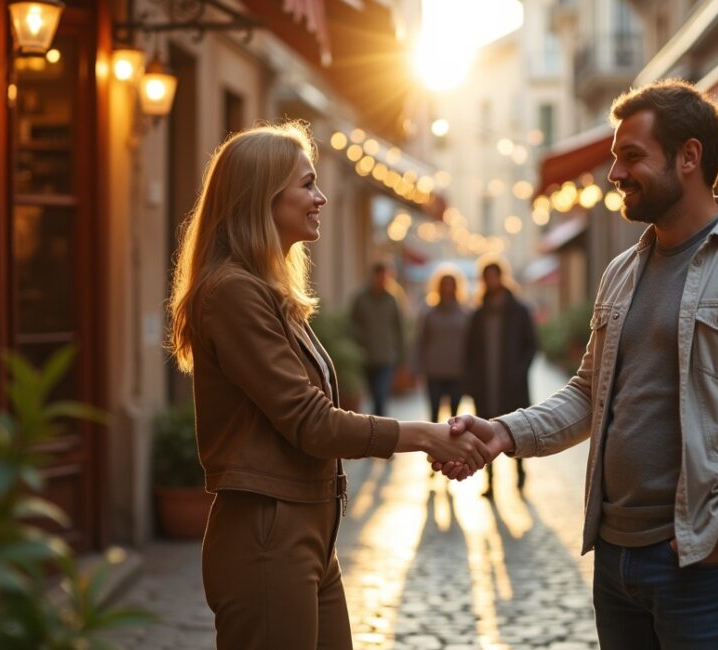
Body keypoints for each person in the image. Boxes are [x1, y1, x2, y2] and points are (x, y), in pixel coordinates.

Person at [442, 80, 718, 648]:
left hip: (698, 561)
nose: (615, 174)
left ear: (689, 157)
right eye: (614, 158)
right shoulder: (621, 272)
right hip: (614, 559)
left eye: (631, 156)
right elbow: (587, 392)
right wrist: (504, 432)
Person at [166, 121, 491, 649]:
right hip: (269, 534)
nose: (320, 198)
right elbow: (312, 423)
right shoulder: (232, 293)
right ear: (262, 196)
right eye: (306, 184)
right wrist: (425, 435)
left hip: (308, 530)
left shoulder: (264, 292)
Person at [465, 258, 538, 496]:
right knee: (485, 432)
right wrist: (471, 378)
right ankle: (490, 481)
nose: (491, 280)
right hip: (486, 383)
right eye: (487, 276)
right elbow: (470, 349)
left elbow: (532, 345)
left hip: (512, 382)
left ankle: (520, 472)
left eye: (494, 275)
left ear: (501, 277)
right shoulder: (478, 313)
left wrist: (520, 370)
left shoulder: (519, 310)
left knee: (516, 428)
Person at [415, 265, 471, 423]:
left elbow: (472, 345)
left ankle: (452, 447)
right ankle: (433, 446)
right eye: (444, 284)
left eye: (450, 284)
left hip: (458, 372)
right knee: (434, 414)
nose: (447, 288)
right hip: (434, 372)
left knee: (455, 417)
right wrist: (416, 367)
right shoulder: (428, 313)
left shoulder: (466, 313)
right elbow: (420, 340)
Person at [348, 262, 405, 416]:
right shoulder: (360, 298)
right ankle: (376, 426)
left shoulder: (391, 300)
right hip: (366, 356)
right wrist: (358, 341)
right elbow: (352, 323)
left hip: (386, 357)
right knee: (372, 395)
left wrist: (400, 356)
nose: (380, 279)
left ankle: (380, 427)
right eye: (377, 276)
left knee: (381, 396)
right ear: (372, 276)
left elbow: (398, 328)